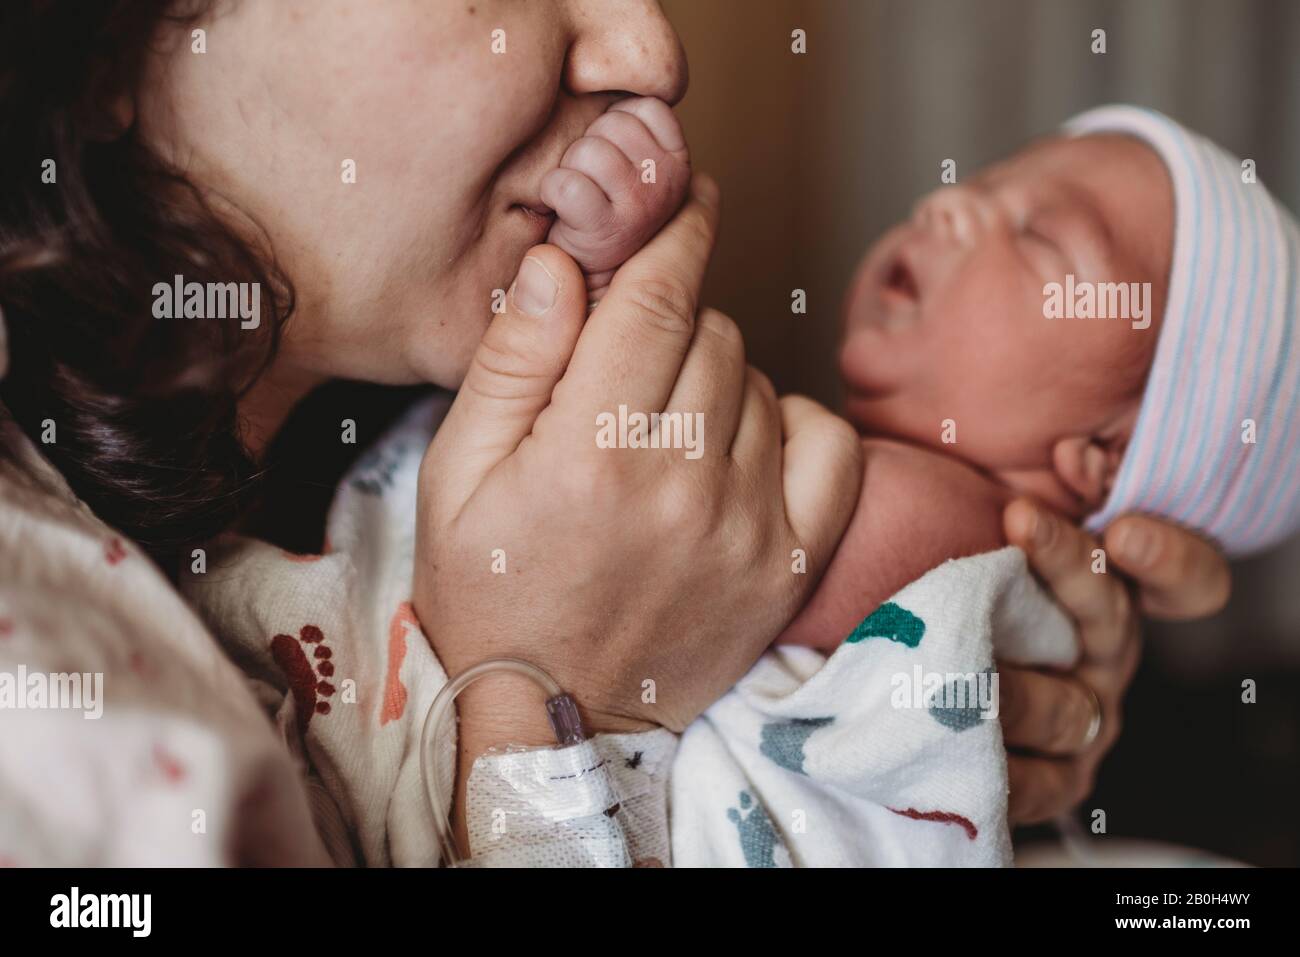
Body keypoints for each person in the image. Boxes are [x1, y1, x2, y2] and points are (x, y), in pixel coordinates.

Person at [0, 0, 1230, 864]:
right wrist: (560, 713)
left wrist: (1018, 654)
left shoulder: (371, 409)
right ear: (100, 40)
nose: (653, 49)